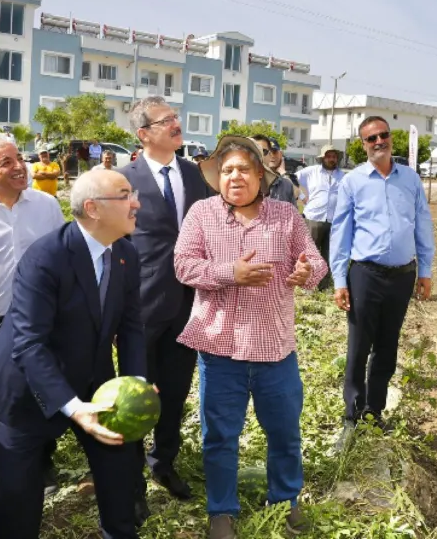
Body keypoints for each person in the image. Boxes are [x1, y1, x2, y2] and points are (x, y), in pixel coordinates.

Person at [0, 169, 146, 539]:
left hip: (93, 381)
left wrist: (137, 381)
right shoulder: (47, 257)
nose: (137, 203)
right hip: (25, 387)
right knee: (21, 493)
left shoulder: (126, 254)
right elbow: (29, 343)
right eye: (125, 194)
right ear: (93, 208)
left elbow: (131, 326)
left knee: (118, 473)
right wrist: (71, 406)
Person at [174, 136, 327, 539]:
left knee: (284, 433)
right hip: (220, 350)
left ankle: (285, 501)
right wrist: (230, 273)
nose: (234, 176)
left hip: (275, 349)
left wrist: (305, 272)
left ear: (260, 175)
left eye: (243, 169)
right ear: (217, 178)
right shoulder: (201, 214)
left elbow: (315, 261)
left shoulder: (285, 216)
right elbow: (184, 265)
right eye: (226, 170)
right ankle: (221, 511)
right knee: (220, 436)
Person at [0, 136, 67, 510]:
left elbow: (61, 259)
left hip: (40, 318)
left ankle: (43, 464)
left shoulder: (47, 205)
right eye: (6, 162)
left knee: (41, 390)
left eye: (19, 158)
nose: (19, 166)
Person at [119, 96, 210, 519]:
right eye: (166, 120)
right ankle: (131, 480)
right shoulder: (123, 179)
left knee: (174, 392)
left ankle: (163, 463)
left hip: (188, 305)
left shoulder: (194, 175)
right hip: (140, 306)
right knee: (137, 395)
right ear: (143, 134)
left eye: (176, 117)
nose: (177, 124)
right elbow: (112, 244)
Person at [329, 116, 435, 450]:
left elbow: (422, 225)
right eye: (371, 138)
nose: (378, 142)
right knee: (359, 345)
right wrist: (339, 279)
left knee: (387, 348)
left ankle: (374, 412)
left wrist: (426, 271)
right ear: (363, 144)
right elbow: (340, 233)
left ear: (391, 138)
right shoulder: (353, 181)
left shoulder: (411, 180)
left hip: (402, 276)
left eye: (383, 135)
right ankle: (352, 413)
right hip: (365, 275)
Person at [296, 144, 346, 290]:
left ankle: (323, 286)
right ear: (322, 158)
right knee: (310, 254)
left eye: (334, 156)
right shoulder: (312, 171)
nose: (331, 159)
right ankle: (307, 285)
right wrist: (302, 196)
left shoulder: (342, 176)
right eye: (328, 156)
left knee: (328, 255)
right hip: (313, 218)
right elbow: (292, 179)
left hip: (334, 221)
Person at [252, 135, 297, 206]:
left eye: (274, 152)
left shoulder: (286, 184)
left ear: (281, 154)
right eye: (259, 151)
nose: (272, 156)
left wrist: (283, 173)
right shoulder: (244, 182)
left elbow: (299, 197)